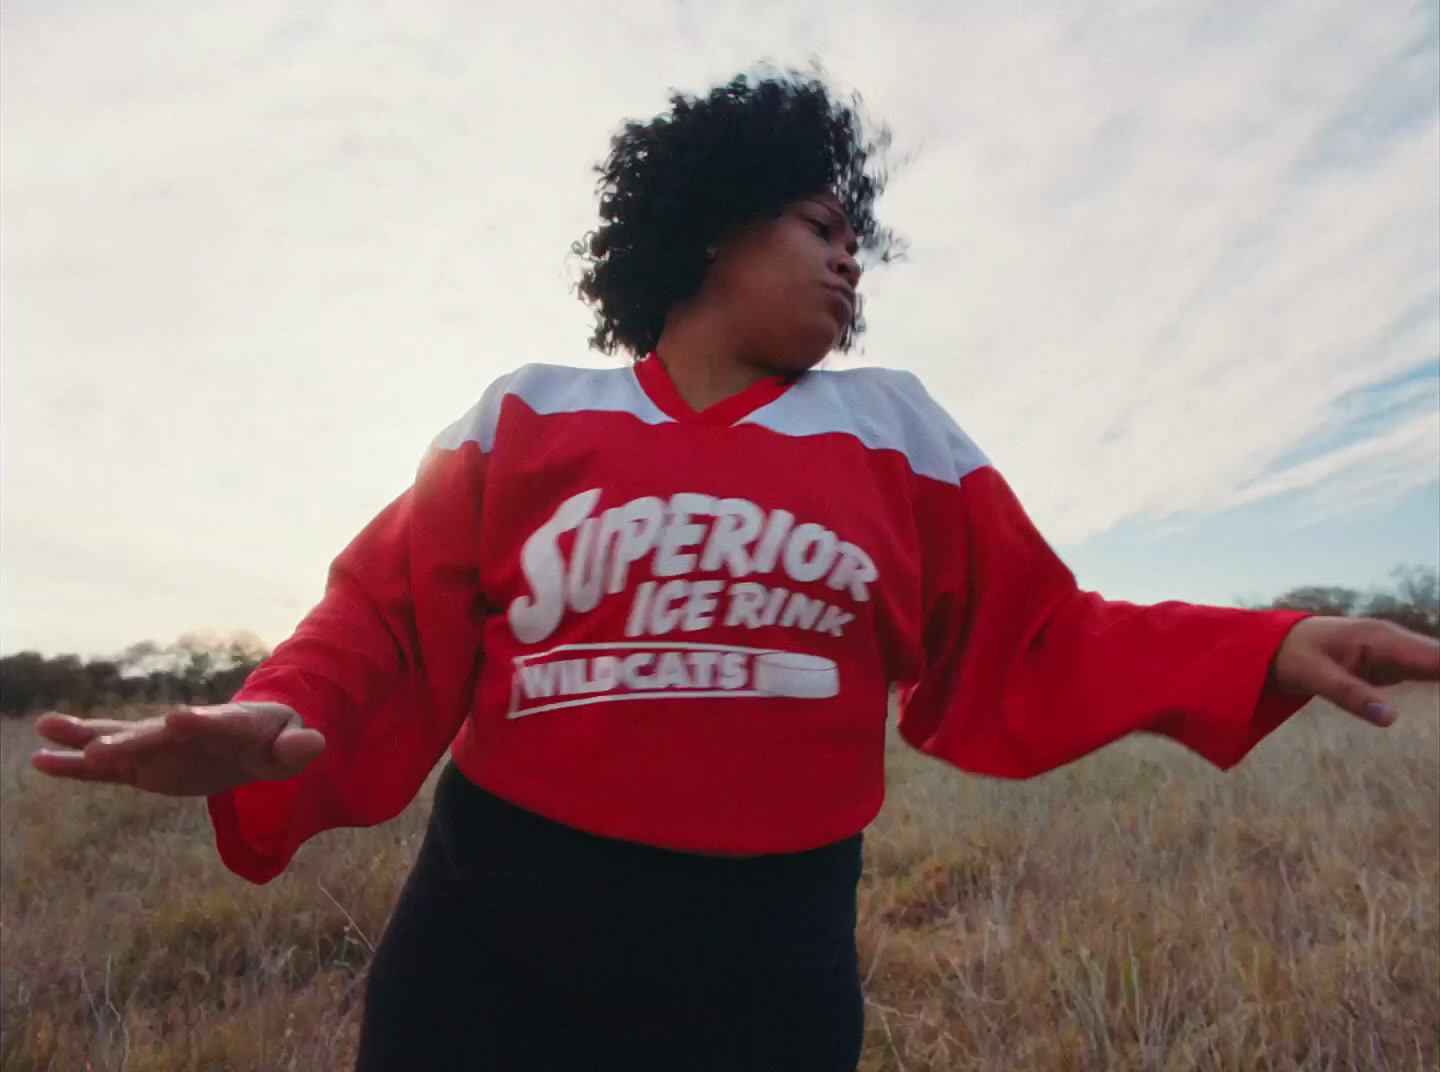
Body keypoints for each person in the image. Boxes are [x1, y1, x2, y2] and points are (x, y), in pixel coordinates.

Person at [31, 69, 1440, 1072]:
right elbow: (381, 622)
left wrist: (1255, 647)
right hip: (493, 926)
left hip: (763, 957)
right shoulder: (528, 414)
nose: (849, 267)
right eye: (820, 230)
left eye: (857, 247)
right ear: (713, 223)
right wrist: (275, 717)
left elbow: (1036, 632)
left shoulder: (896, 430)